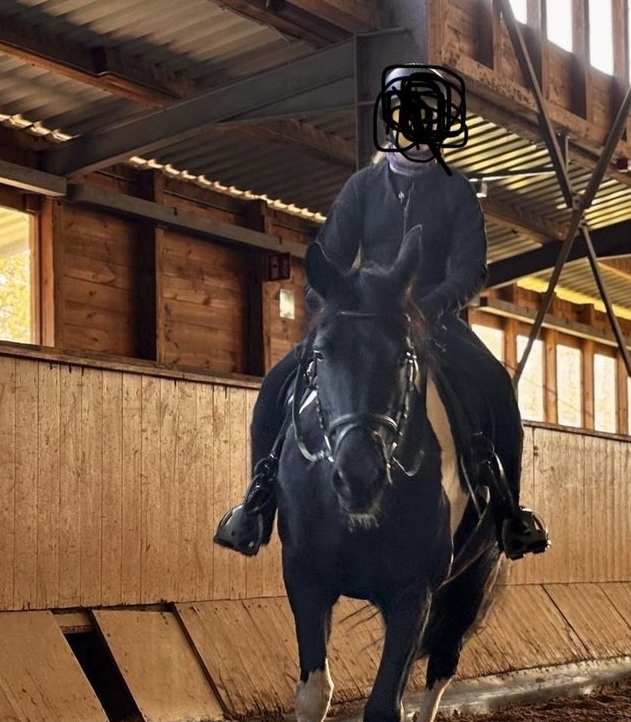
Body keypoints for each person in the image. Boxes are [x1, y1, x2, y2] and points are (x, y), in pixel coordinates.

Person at [214, 65, 549, 561]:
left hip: (435, 320)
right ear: (393, 119)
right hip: (363, 320)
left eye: (429, 115)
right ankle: (258, 500)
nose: (420, 124)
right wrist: (332, 314)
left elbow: (470, 270)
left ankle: (510, 513)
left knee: (496, 386)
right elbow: (330, 256)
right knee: (275, 386)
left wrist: (428, 307)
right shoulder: (362, 187)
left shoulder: (456, 190)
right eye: (412, 113)